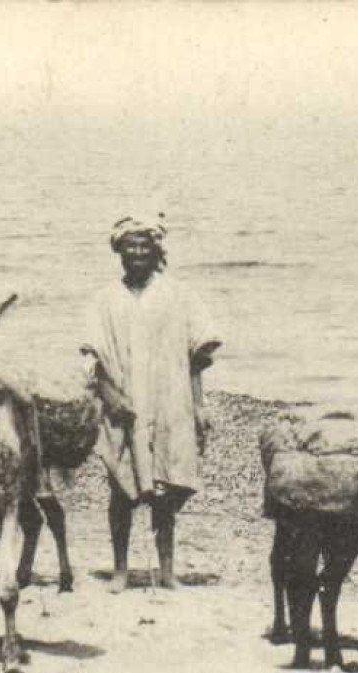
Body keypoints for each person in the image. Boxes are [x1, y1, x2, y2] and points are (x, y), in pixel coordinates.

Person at [81, 215, 222, 591]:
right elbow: (93, 359)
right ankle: (121, 569)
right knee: (121, 490)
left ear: (156, 249)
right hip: (122, 404)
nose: (138, 252)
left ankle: (166, 569)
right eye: (131, 246)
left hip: (169, 401)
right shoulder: (105, 299)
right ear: (120, 251)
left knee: (166, 489)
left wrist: (199, 405)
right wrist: (112, 396)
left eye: (145, 245)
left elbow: (196, 355)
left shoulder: (179, 295)